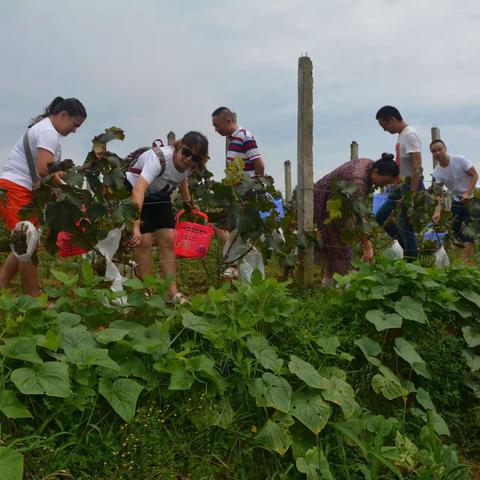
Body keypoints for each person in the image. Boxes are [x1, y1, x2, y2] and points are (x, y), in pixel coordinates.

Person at [0, 97, 87, 296]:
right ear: (63, 115)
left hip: (18, 189)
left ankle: (1, 287)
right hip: (16, 189)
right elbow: (43, 169)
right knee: (27, 244)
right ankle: (34, 299)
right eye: (75, 125)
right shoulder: (49, 132)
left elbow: (48, 168)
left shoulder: (44, 129)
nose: (74, 130)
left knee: (24, 242)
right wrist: (68, 190)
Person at [125, 131, 208, 303]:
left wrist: (188, 202)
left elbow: (182, 178)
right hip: (136, 191)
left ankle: (172, 292)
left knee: (169, 239)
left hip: (160, 194)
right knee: (144, 241)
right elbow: (138, 190)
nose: (189, 159)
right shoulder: (159, 159)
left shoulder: (191, 166)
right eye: (186, 152)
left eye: (196, 158)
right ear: (178, 147)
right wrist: (135, 227)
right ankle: (148, 291)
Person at [314, 154, 399, 285]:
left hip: (335, 198)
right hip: (326, 201)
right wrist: (368, 248)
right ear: (376, 172)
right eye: (384, 182)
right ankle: (343, 286)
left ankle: (328, 284)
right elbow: (359, 217)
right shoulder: (358, 181)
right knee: (339, 244)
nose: (383, 185)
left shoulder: (370, 165)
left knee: (333, 244)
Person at [211, 107, 265, 278]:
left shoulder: (244, 136)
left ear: (227, 121)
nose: (215, 129)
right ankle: (236, 265)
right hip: (237, 192)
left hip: (246, 193)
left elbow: (259, 164)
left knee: (237, 229)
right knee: (227, 228)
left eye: (216, 125)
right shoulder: (232, 139)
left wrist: (254, 186)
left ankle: (232, 265)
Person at [375, 105, 424, 259]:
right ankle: (410, 250)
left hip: (411, 186)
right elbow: (404, 164)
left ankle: (411, 262)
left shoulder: (410, 135)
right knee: (380, 217)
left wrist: (413, 194)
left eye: (384, 125)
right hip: (402, 185)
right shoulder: (402, 135)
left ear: (393, 120)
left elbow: (417, 167)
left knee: (406, 226)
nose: (384, 130)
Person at [430, 139, 478, 260]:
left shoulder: (460, 160)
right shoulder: (437, 172)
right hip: (458, 200)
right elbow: (439, 194)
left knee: (469, 232)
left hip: (474, 197)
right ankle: (458, 261)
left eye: (440, 149)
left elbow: (474, 175)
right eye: (434, 151)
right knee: (455, 231)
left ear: (445, 149)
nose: (437, 153)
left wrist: (467, 192)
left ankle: (467, 261)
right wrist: (438, 211)